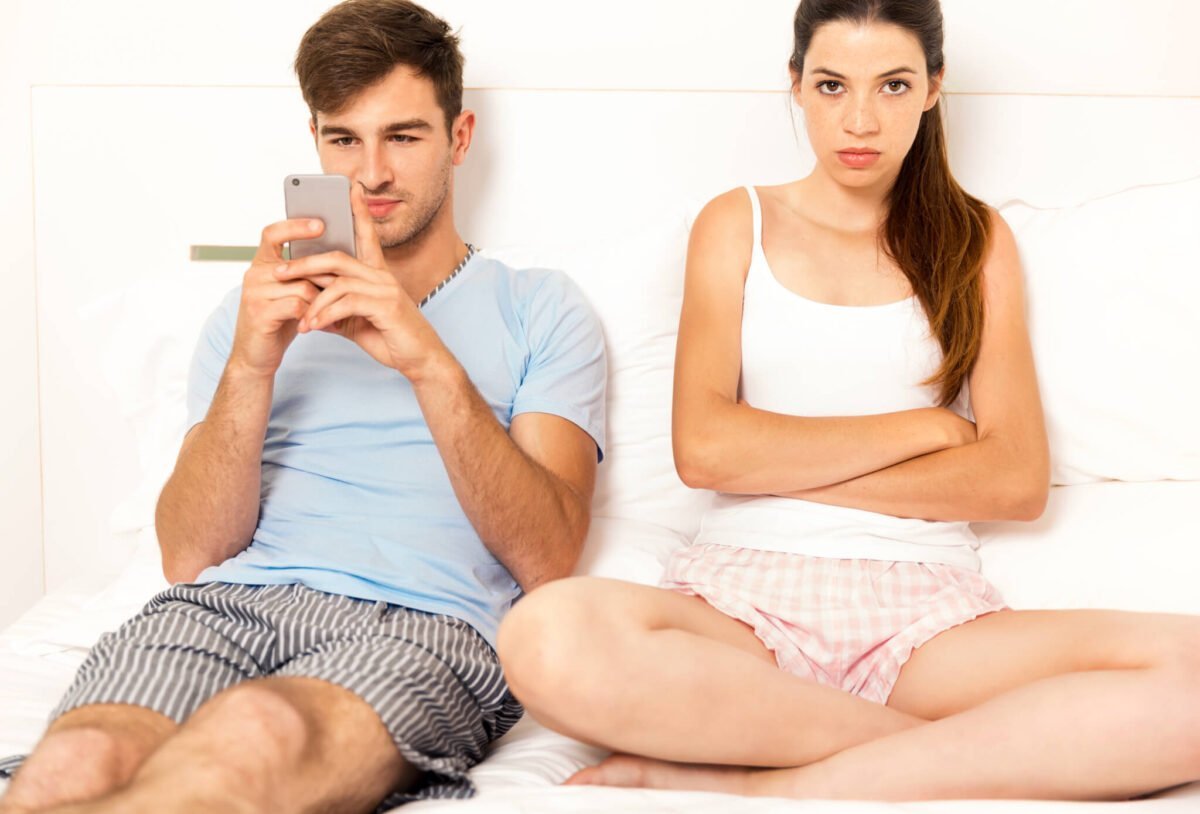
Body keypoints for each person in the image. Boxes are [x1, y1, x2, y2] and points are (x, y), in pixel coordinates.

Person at [497, 0, 1200, 802]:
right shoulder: (737, 223)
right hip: (741, 608)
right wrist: (929, 427)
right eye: (833, 85)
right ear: (795, 85)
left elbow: (1013, 480)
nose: (860, 120)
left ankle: (779, 778)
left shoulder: (977, 241)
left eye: (893, 86)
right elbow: (706, 451)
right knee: (544, 636)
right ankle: (978, 754)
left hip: (927, 616)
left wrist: (779, 460)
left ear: (934, 88)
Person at [0, 1, 606, 811]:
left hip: (422, 623)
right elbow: (190, 557)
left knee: (257, 733)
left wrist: (425, 358)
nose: (372, 174)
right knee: (72, 764)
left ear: (459, 139)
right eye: (343, 140)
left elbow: (550, 557)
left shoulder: (541, 307)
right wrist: (253, 363)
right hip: (227, 606)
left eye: (403, 136)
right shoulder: (250, 314)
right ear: (314, 142)